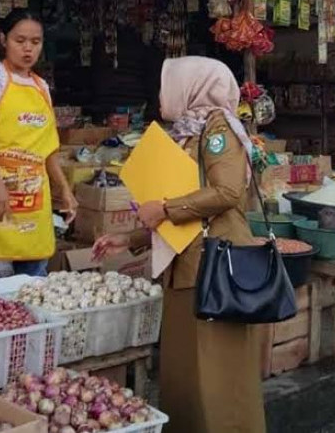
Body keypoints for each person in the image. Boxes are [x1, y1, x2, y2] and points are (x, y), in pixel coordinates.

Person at [93, 56, 266, 433]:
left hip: (214, 266)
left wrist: (165, 208)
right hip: (186, 264)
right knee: (185, 372)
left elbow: (227, 191)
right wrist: (130, 238)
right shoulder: (188, 131)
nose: (159, 95)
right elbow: (178, 210)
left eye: (166, 84)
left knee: (217, 374)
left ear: (192, 85)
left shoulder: (218, 127)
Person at [0, 9, 77, 278]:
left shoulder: (41, 86)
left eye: (36, 42)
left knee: (33, 280)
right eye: (20, 41)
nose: (28, 49)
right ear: (3, 40)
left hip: (32, 202)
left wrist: (64, 188)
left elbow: (48, 148)